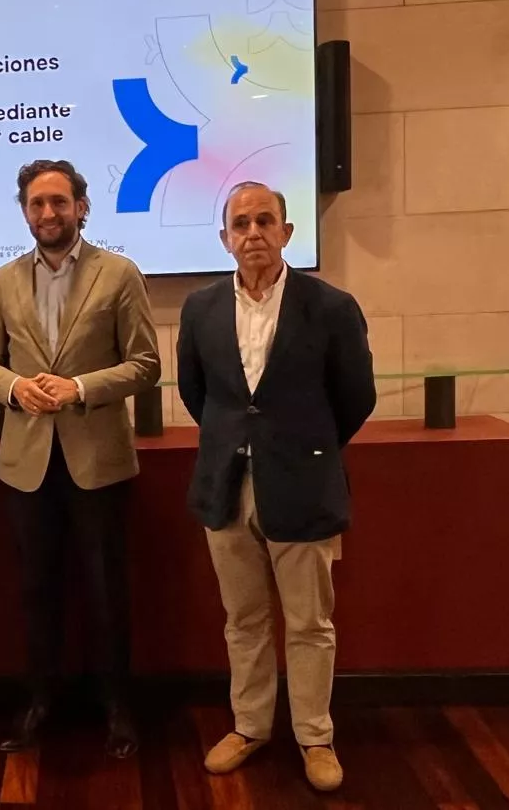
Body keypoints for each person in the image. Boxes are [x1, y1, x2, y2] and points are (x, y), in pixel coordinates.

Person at [175, 182, 375, 792]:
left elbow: (355, 398)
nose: (253, 232)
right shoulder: (201, 308)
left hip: (304, 485)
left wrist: (303, 448)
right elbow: (196, 394)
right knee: (244, 620)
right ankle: (250, 726)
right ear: (225, 239)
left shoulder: (332, 307)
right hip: (226, 485)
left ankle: (315, 736)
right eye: (241, 223)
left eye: (265, 221)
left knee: (310, 623)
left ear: (288, 233)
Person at [0, 158, 160, 759]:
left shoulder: (120, 273)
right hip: (26, 463)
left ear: (82, 206)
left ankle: (117, 709)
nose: (48, 213)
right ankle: (39, 703)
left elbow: (145, 364)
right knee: (36, 589)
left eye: (59, 202)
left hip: (97, 460)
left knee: (106, 590)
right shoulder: (3, 280)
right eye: (36, 204)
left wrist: (79, 389)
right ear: (24, 211)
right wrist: (13, 388)